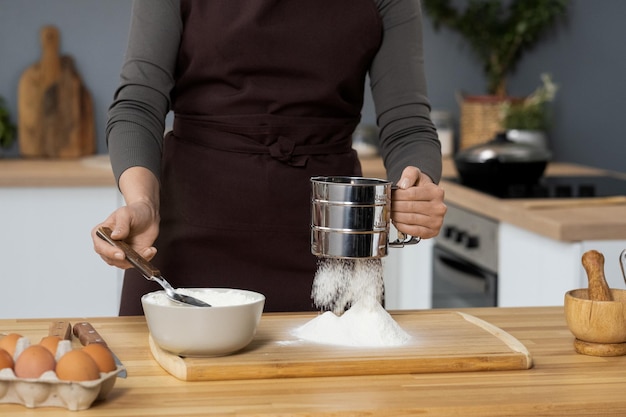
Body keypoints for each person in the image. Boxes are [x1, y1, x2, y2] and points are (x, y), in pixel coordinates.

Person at [92, 0, 447, 315]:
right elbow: (139, 104)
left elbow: (408, 125)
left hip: (331, 247)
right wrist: (143, 203)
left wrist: (417, 183)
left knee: (340, 390)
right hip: (189, 235)